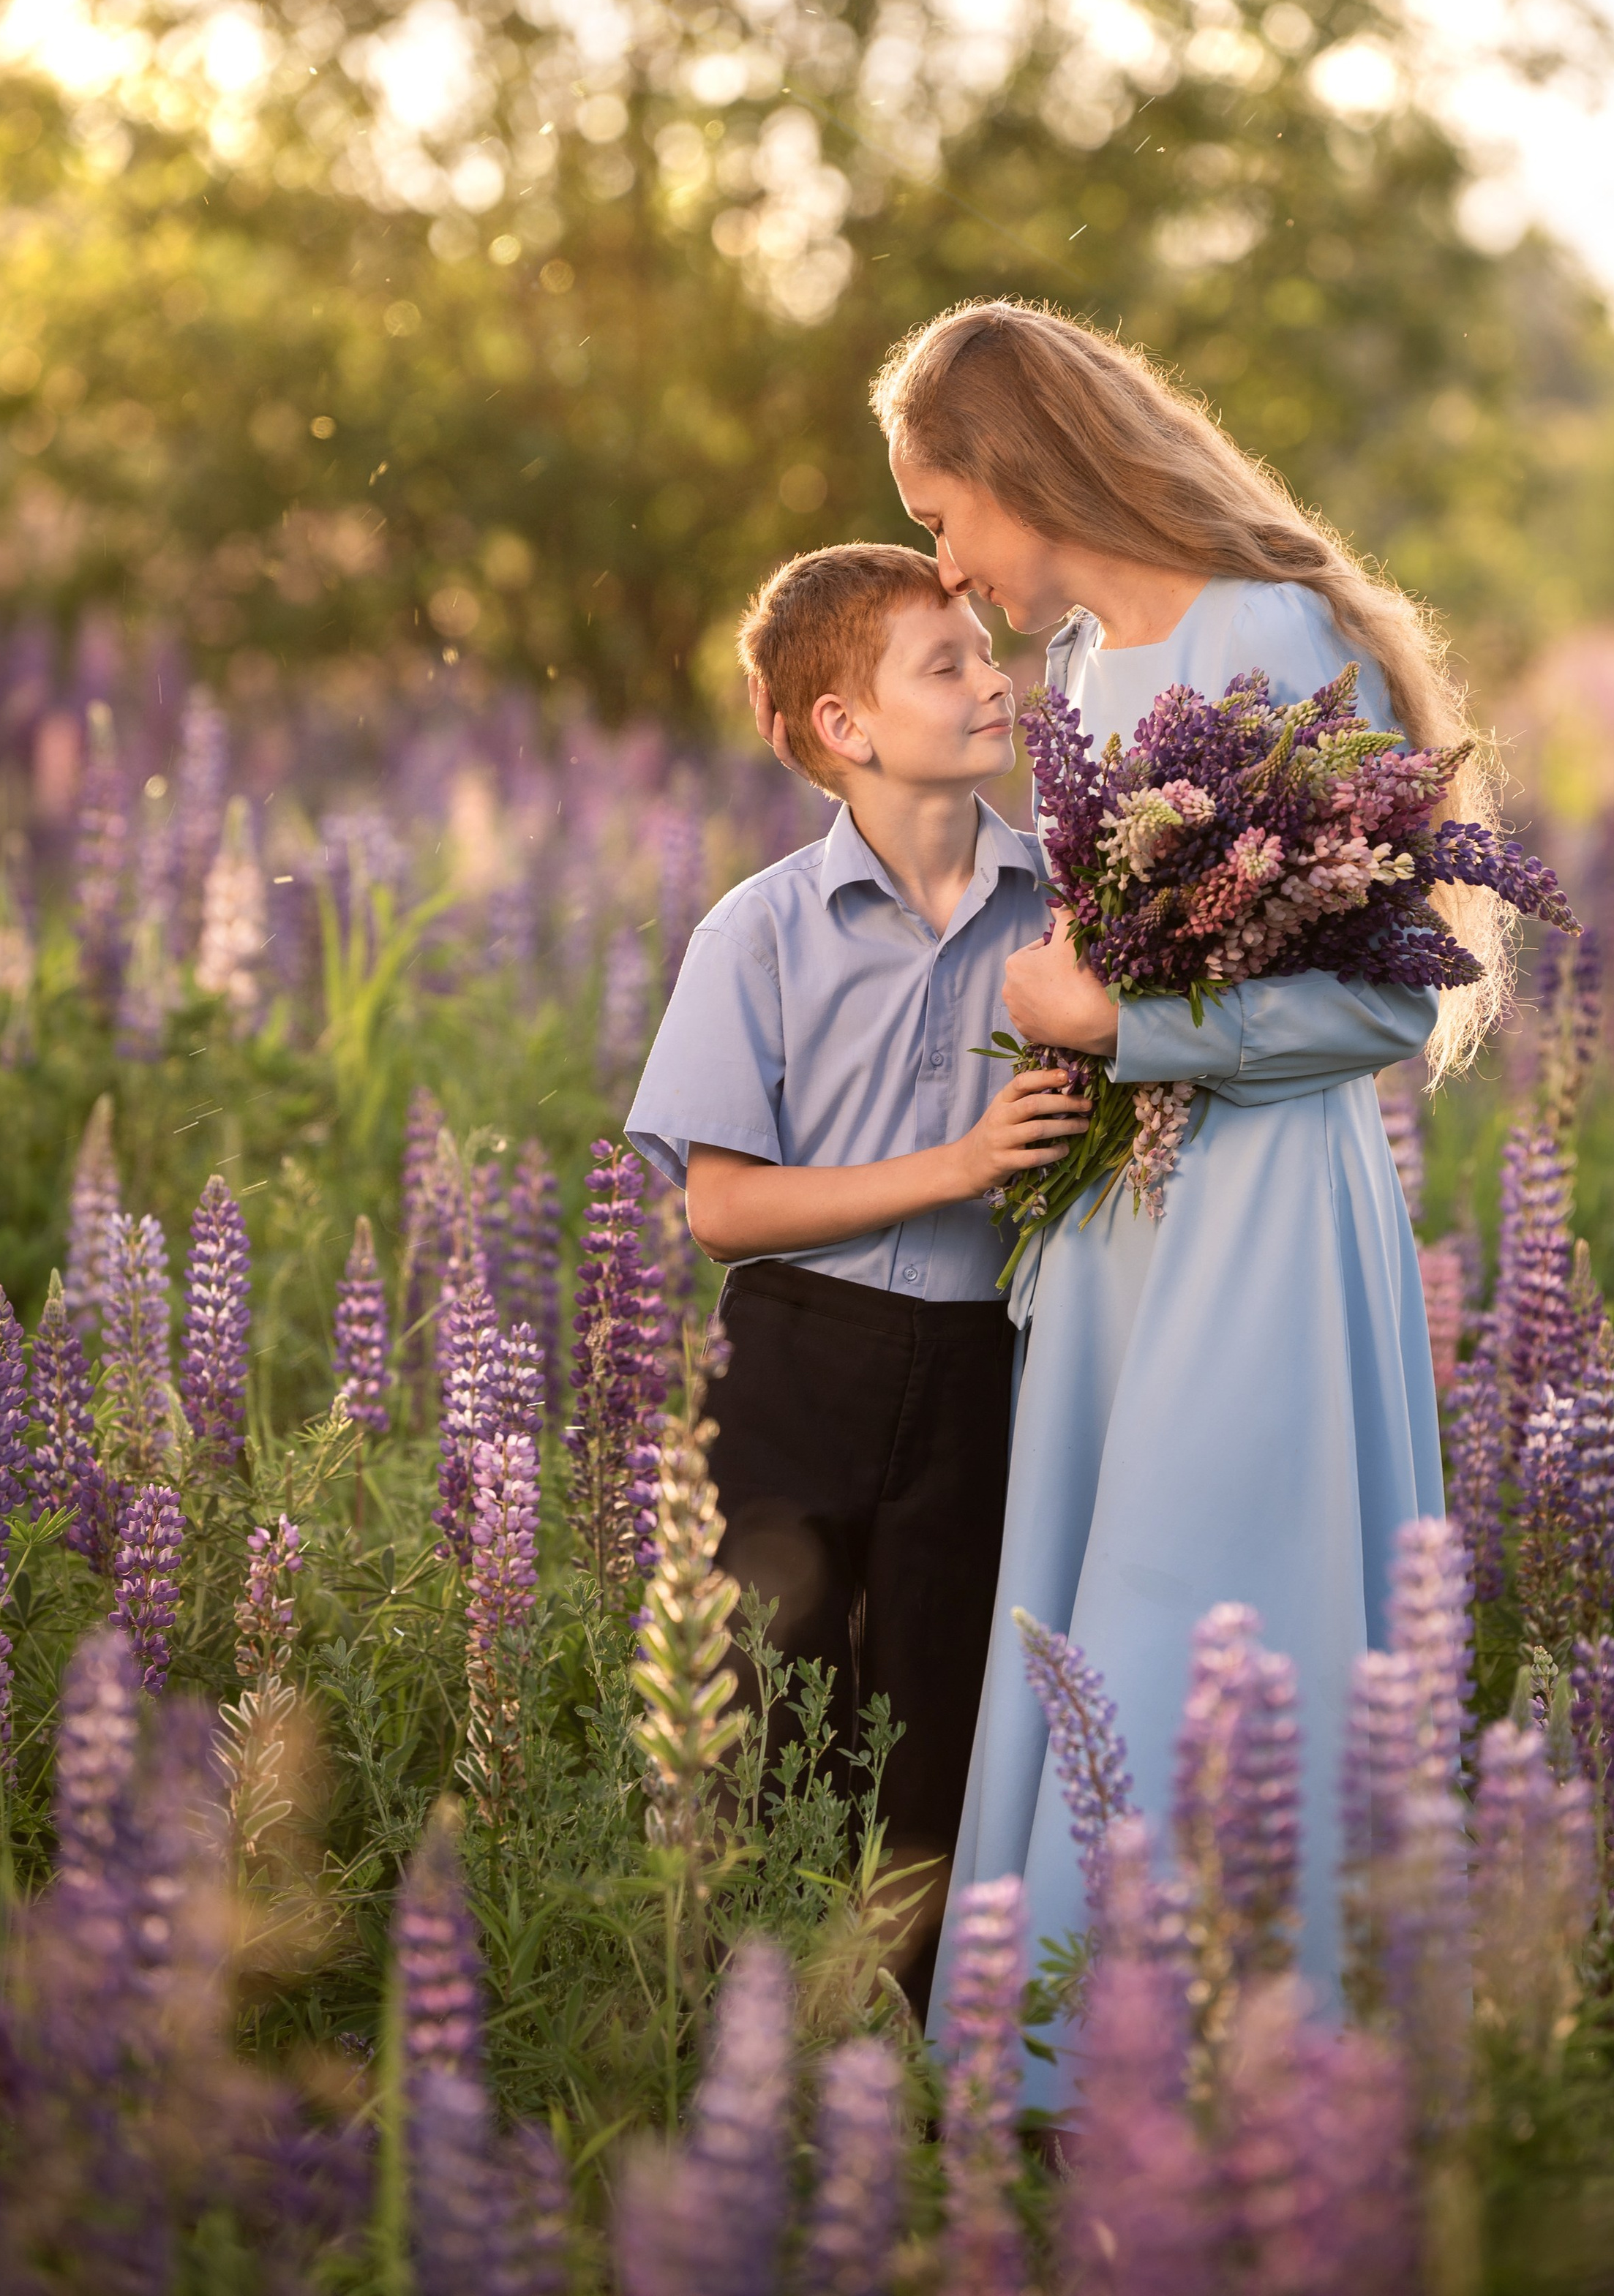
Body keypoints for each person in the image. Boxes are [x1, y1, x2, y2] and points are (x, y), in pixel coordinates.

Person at [847, 299, 1501, 2080]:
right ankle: (1081, 2068)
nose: (947, 568)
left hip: (1263, 1220)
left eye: (938, 514)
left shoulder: (1271, 628)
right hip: (1120, 1226)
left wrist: (1112, 1018)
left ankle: (1241, 2069)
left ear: (1015, 468)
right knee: (1090, 1623)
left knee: (1206, 1607)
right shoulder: (1078, 685)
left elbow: (1380, 992)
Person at [626, 541, 1087, 2006]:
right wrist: (956, 1164)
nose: (989, 680)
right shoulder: (759, 928)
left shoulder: (1062, 915)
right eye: (942, 664)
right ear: (846, 725)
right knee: (767, 1714)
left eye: (984, 651)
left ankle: (924, 2068)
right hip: (792, 1360)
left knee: (939, 1732)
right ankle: (747, 2044)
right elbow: (719, 1209)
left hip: (979, 1365)